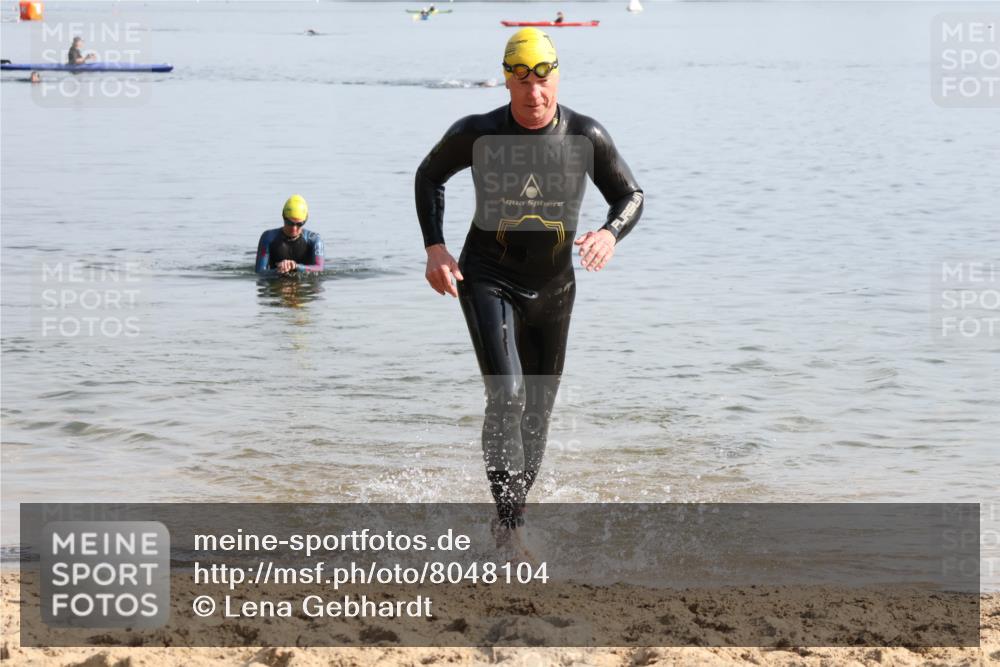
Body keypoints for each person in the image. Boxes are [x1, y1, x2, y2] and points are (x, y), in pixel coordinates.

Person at [414, 28, 643, 555]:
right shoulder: (479, 133)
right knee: (508, 394)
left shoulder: (586, 137)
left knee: (537, 410)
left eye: (543, 83)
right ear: (507, 80)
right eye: (521, 83)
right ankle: (511, 525)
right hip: (488, 277)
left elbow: (630, 194)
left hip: (555, 288)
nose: (534, 96)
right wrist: (435, 248)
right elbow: (430, 176)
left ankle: (511, 515)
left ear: (556, 77)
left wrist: (610, 233)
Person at [255, 195, 325, 276]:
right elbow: (259, 272)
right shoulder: (268, 238)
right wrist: (278, 270)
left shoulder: (314, 240)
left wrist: (296, 267)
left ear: (305, 220)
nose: (294, 228)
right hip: (277, 283)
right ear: (283, 216)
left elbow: (320, 268)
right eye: (290, 223)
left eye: (299, 224)